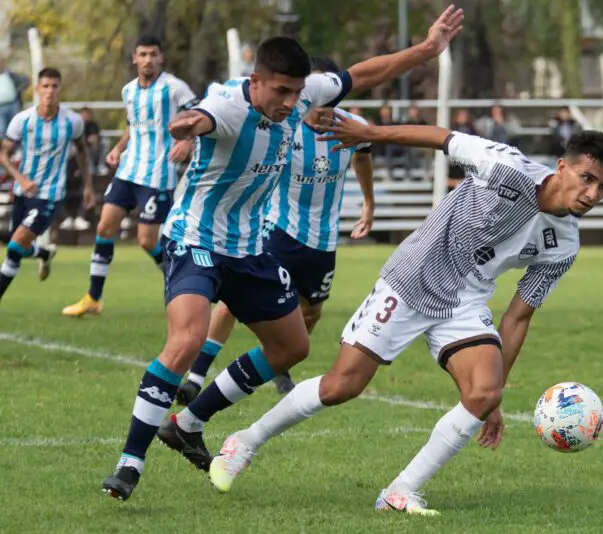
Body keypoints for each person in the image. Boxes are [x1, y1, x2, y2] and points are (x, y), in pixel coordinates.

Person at [101, 5, 464, 502]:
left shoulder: (303, 96)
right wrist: (186, 128)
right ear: (256, 81)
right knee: (185, 339)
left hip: (249, 248)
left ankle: (187, 423)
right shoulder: (229, 106)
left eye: (297, 92)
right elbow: (200, 116)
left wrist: (426, 49)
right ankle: (130, 460)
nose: (290, 103)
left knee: (292, 348)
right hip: (196, 239)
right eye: (280, 92)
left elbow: (365, 72)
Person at [201, 114, 603, 515]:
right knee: (342, 385)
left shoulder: (564, 244)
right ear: (563, 166)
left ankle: (400, 491)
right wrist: (372, 133)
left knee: (482, 391)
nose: (592, 194)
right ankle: (245, 441)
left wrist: (494, 396)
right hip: (412, 278)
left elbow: (516, 318)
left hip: (466, 299)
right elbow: (441, 138)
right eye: (587, 178)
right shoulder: (505, 168)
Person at [174, 55, 375, 402]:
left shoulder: (351, 126)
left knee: (311, 311)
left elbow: (364, 153)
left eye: (334, 100)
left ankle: (279, 361)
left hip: (323, 238)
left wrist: (369, 203)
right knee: (235, 300)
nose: (327, 107)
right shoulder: (285, 126)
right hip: (278, 227)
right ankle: (196, 374)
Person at [62, 36, 196, 317]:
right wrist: (118, 148)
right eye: (142, 54)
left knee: (147, 240)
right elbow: (134, 125)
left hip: (158, 173)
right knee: (104, 228)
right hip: (128, 170)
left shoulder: (174, 88)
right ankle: (93, 298)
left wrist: (187, 141)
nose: (148, 59)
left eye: (153, 54)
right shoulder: (128, 91)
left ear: (161, 58)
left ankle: (182, 282)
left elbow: (200, 114)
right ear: (134, 58)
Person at [0, 68, 94, 302]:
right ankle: (43, 252)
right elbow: (4, 155)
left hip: (50, 195)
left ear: (60, 89)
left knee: (14, 247)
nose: (50, 91)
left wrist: (88, 186)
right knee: (17, 248)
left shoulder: (72, 121)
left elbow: (82, 152)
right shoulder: (22, 120)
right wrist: (20, 179)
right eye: (45, 86)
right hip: (23, 192)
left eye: (54, 86)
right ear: (37, 89)